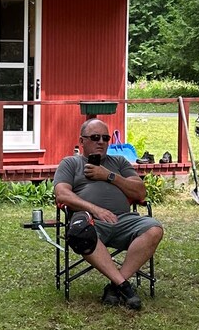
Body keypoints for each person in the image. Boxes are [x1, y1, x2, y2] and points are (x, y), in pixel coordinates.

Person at [52, 120, 164, 310]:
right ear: (82, 140)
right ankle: (125, 287)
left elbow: (140, 192)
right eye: (95, 137)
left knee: (154, 229)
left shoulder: (118, 162)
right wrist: (95, 209)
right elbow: (62, 193)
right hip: (90, 222)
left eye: (106, 138)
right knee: (81, 232)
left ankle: (115, 285)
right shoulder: (71, 163)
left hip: (123, 220)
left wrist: (109, 176)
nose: (101, 142)